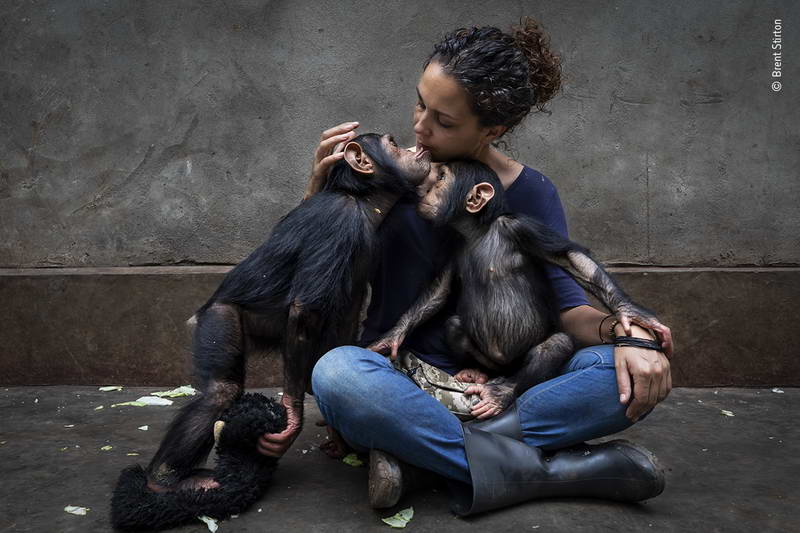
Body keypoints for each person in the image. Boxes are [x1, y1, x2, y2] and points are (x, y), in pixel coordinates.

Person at [259, 17, 674, 515]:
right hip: (398, 384)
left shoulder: (530, 194)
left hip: (503, 389)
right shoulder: (386, 175)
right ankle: (541, 470)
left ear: (491, 130)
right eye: (420, 103)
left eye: (445, 121)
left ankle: (422, 458)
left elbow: (568, 314)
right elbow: (310, 292)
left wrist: (632, 337)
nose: (419, 127)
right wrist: (318, 199)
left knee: (614, 375)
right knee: (338, 373)